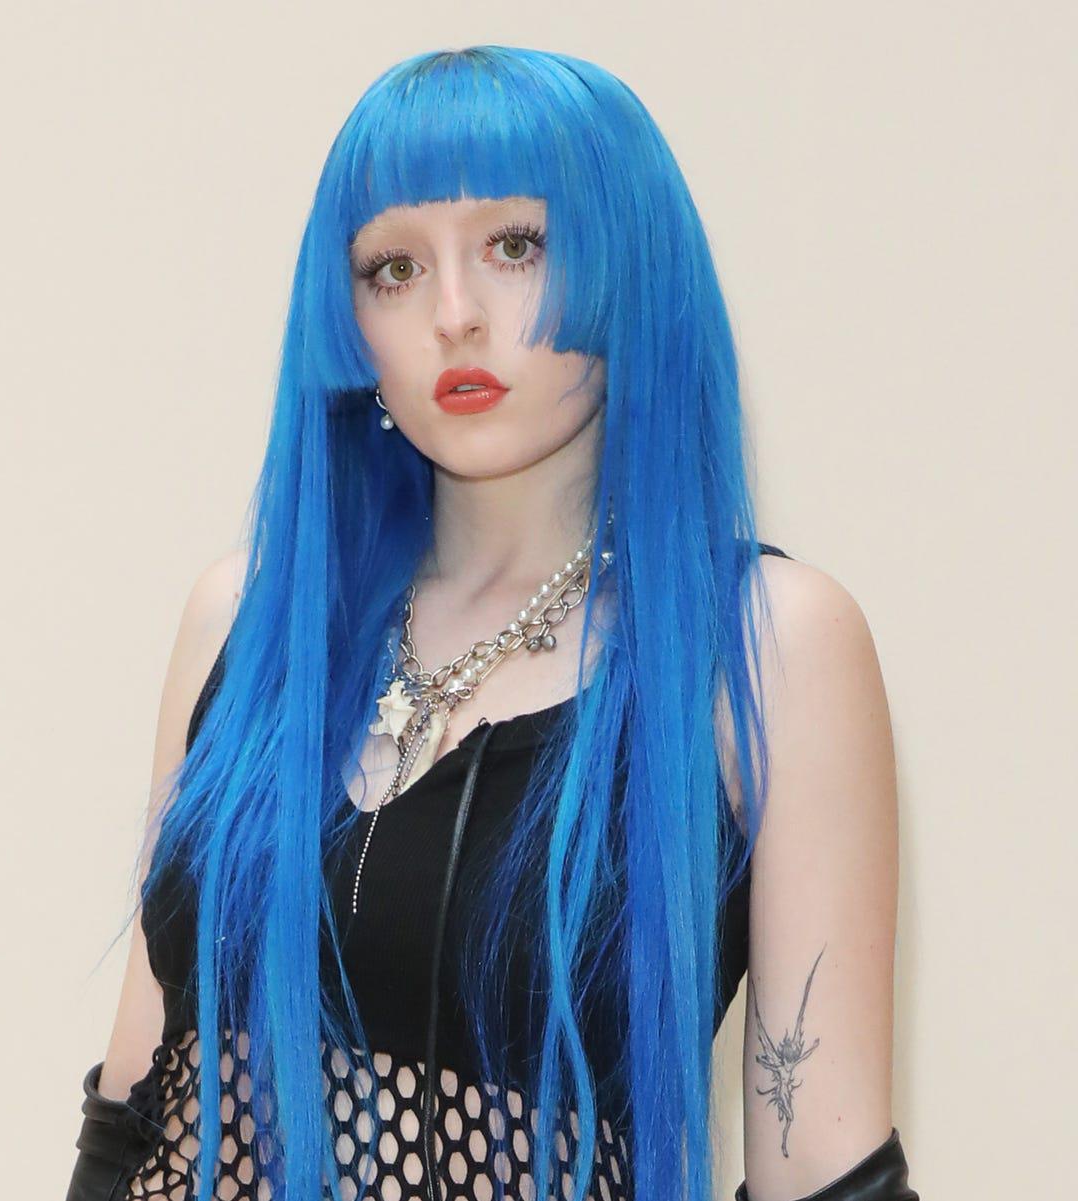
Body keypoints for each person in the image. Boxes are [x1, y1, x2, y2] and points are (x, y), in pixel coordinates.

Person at [65, 45, 917, 1201]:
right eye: (394, 268)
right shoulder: (247, 618)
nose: (454, 316)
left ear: (630, 261)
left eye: (516, 246)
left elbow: (823, 1163)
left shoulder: (768, 647)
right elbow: (136, 1094)